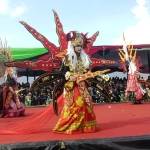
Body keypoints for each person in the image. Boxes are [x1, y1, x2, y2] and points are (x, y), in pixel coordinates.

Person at [53, 31, 97, 134]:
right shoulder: (67, 58)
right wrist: (69, 75)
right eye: (77, 45)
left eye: (80, 46)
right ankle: (72, 126)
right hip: (72, 86)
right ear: (72, 46)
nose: (79, 48)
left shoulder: (85, 59)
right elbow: (63, 71)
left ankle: (85, 126)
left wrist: (87, 75)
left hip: (82, 84)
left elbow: (87, 71)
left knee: (87, 103)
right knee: (76, 105)